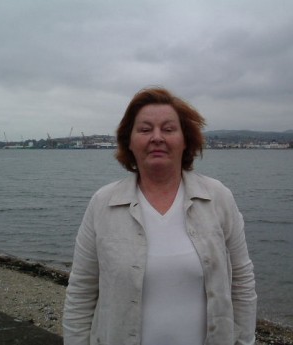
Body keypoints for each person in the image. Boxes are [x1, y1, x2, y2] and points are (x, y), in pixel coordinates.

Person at [63, 87, 257, 345]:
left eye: (168, 129)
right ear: (129, 141)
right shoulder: (103, 204)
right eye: (144, 130)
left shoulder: (218, 198)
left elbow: (242, 283)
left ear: (185, 139)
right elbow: (81, 291)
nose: (157, 137)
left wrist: (245, 341)